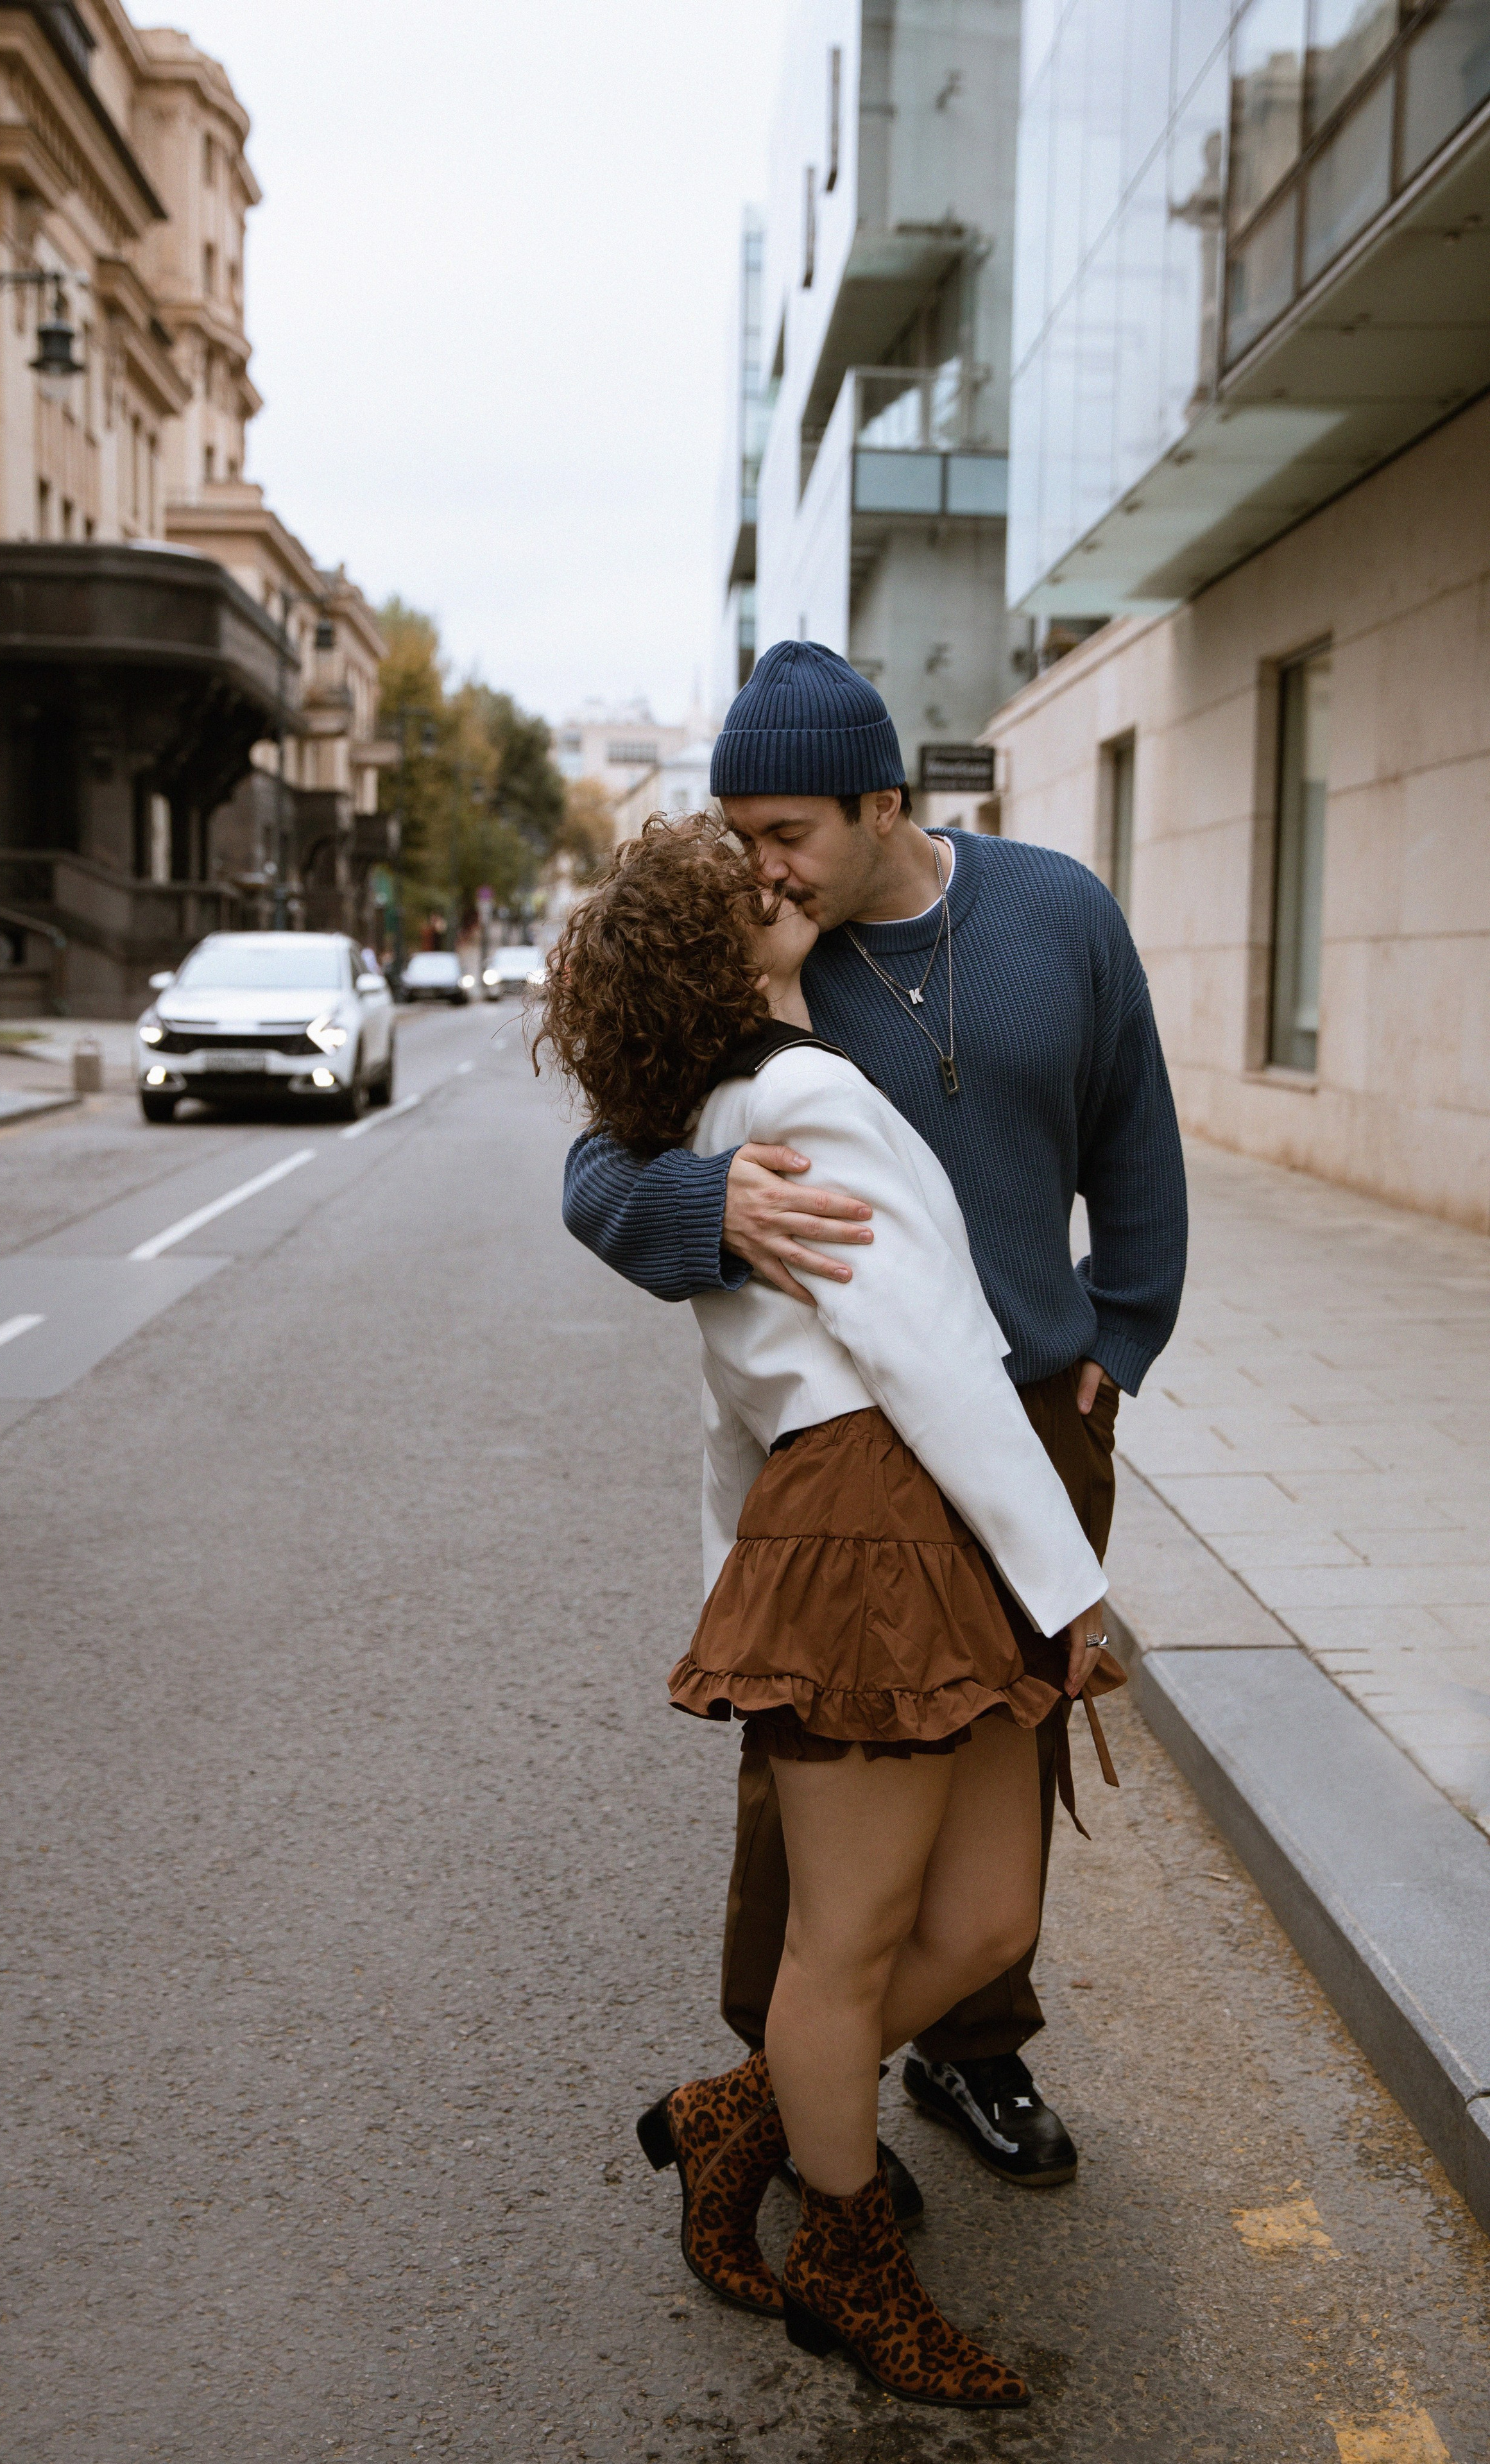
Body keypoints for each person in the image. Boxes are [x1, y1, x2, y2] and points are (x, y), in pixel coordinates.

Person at [563, 642, 1187, 2217]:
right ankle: (791, 2063)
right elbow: (594, 1175)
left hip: (1032, 1411)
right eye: (736, 832)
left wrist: (1121, 1333)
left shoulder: (1057, 914)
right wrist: (705, 1202)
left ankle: (964, 2046)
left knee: (1001, 1752)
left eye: (784, 831)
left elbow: (1135, 1142)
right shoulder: (756, 955)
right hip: (847, 1455)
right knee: (819, 1789)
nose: (755, 864)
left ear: (882, 803)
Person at [536, 815, 1122, 2408]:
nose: (776, 884)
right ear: (712, 961)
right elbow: (928, 1355)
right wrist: (1069, 1594)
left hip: (904, 1518)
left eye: (775, 862)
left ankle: (736, 2120)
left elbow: (732, 1397)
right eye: (747, 891)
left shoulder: (731, 1124)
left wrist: (741, 1555)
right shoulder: (789, 1100)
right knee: (848, 1941)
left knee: (984, 1921)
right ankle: (851, 2270)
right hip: (882, 1514)